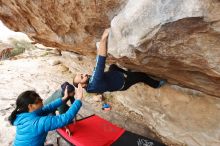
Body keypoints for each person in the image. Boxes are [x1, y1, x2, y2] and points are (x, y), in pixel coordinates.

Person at [73, 29, 166, 93]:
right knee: (141, 76)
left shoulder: (89, 85)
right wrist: (103, 39)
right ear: (83, 85)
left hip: (112, 78)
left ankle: (126, 72)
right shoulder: (95, 83)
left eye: (81, 74)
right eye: (82, 77)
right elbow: (100, 61)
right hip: (123, 82)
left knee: (113, 66)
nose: (84, 74)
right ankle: (156, 84)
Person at [8, 84, 83, 146]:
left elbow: (48, 108)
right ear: (30, 106)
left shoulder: (23, 114)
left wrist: (64, 98)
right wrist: (78, 99)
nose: (42, 100)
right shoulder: (38, 123)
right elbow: (65, 118)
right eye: (39, 100)